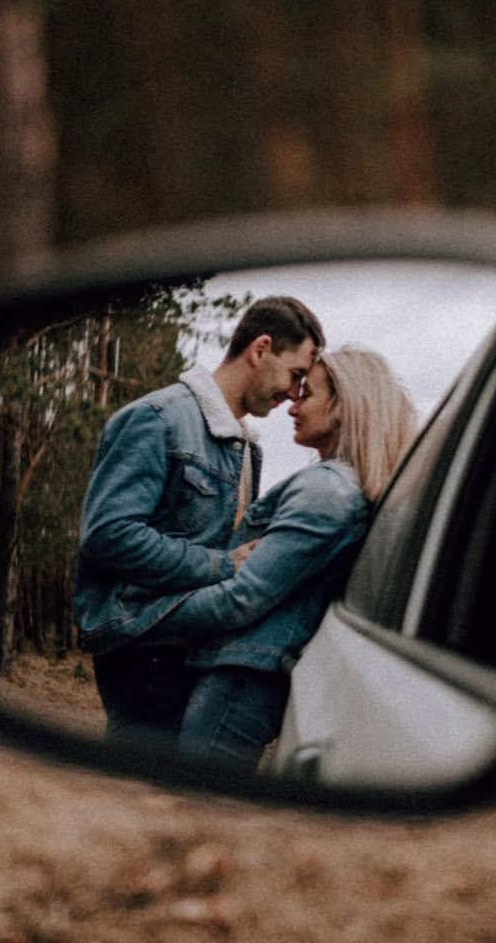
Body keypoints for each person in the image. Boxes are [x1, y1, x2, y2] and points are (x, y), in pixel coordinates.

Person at [144, 347, 419, 769]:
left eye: (306, 393)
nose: (292, 403)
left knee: (196, 815)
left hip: (238, 678)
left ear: (343, 407)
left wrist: (142, 620)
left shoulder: (326, 492)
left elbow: (242, 598)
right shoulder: (343, 487)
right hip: (245, 672)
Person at [73, 295, 325, 742]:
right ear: (260, 349)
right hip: (146, 653)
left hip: (190, 651)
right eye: (295, 375)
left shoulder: (247, 447)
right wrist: (222, 565)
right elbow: (109, 536)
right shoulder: (158, 419)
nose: (292, 393)